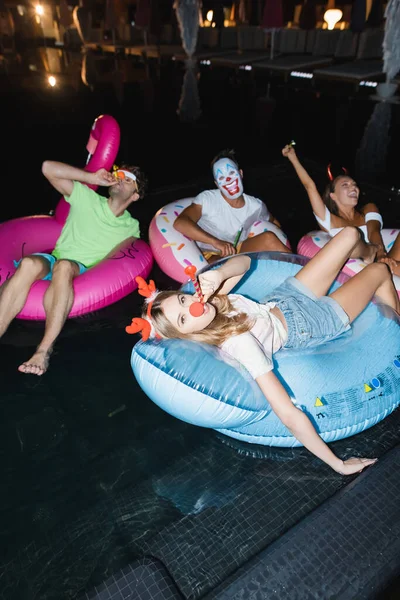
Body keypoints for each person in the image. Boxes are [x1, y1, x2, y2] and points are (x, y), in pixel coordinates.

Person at [134, 227, 400, 475]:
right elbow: (288, 414)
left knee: (351, 233)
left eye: (182, 300)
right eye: (183, 318)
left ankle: (367, 251)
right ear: (187, 335)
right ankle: (395, 337)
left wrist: (220, 273)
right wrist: (338, 463)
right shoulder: (239, 343)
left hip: (286, 297)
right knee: (379, 272)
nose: (191, 306)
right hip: (310, 322)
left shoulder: (210, 302)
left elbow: (245, 263)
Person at [0, 161, 146, 376]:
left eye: (129, 179)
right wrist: (92, 178)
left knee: (65, 266)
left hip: (79, 270)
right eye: (120, 174)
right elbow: (47, 168)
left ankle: (43, 351)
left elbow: (122, 262)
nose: (121, 179)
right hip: (53, 260)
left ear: (136, 195)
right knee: (30, 263)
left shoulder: (131, 227)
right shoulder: (87, 198)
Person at [281, 143, 398, 271]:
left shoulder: (369, 209)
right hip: (357, 270)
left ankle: (373, 255)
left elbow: (374, 232)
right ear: (333, 196)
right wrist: (293, 158)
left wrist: (381, 255)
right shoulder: (329, 220)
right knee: (352, 236)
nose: (353, 187)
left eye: (354, 184)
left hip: (381, 259)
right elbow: (309, 186)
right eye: (345, 185)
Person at [173, 149, 290, 262]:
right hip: (207, 255)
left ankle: (301, 274)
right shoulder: (207, 199)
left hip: (237, 251)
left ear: (241, 173)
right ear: (216, 184)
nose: (228, 179)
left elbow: (273, 222)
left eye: (232, 173)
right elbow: (180, 222)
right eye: (222, 177)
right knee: (226, 265)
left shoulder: (256, 206)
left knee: (269, 238)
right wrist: (216, 242)